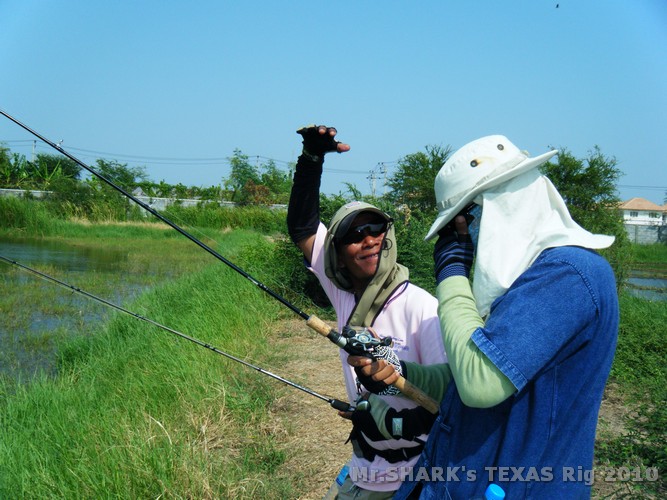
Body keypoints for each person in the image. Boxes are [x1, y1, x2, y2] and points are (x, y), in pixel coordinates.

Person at [350, 135, 619, 498]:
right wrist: (400, 373)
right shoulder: (524, 279)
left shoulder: (567, 275)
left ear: (501, 205)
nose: (464, 235)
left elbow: (480, 384)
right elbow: (468, 373)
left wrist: (452, 273)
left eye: (464, 221)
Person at [286, 125, 447, 499]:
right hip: (362, 470)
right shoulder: (345, 295)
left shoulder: (422, 306)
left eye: (376, 228)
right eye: (356, 235)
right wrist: (311, 158)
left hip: (411, 480)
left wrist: (386, 418)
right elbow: (303, 226)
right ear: (338, 253)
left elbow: (448, 397)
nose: (370, 239)